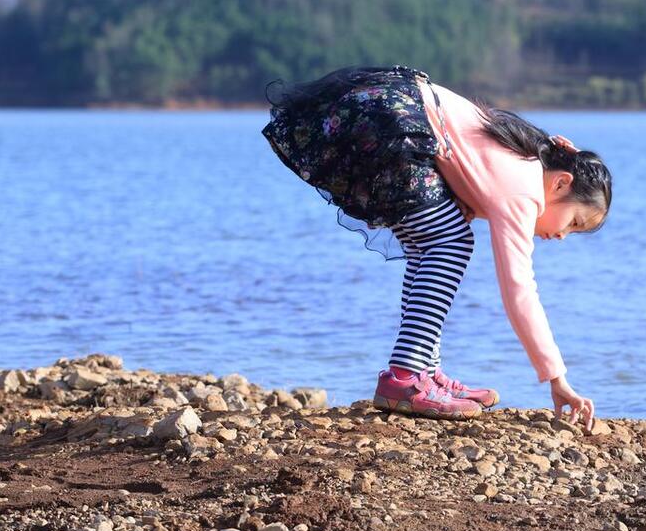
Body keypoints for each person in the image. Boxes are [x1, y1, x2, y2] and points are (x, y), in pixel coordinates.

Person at [261, 65, 611, 430]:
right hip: (393, 127)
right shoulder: (523, 190)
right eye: (573, 222)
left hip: (388, 117)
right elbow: (519, 289)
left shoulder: (524, 160)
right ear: (560, 183)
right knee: (451, 244)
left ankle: (423, 370)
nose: (563, 235)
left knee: (432, 244)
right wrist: (556, 378)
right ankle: (405, 376)